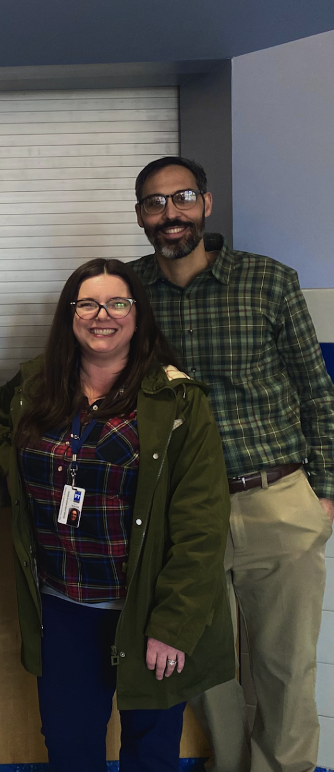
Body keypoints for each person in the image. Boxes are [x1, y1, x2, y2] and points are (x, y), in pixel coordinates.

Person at [127, 157, 334, 772]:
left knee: (285, 663)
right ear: (141, 216)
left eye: (183, 198)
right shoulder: (130, 292)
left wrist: (323, 493)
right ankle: (230, 762)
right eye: (156, 203)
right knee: (205, 662)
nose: (171, 214)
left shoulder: (268, 282)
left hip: (277, 499)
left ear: (206, 204)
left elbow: (316, 391)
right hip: (187, 513)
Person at [0, 258, 235, 772]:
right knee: (70, 747)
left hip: (144, 610)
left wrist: (174, 624)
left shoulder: (178, 400)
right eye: (88, 303)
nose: (103, 315)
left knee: (151, 753)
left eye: (118, 303)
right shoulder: (37, 384)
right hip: (62, 607)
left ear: (138, 315)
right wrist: (14, 470)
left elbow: (202, 527)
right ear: (69, 314)